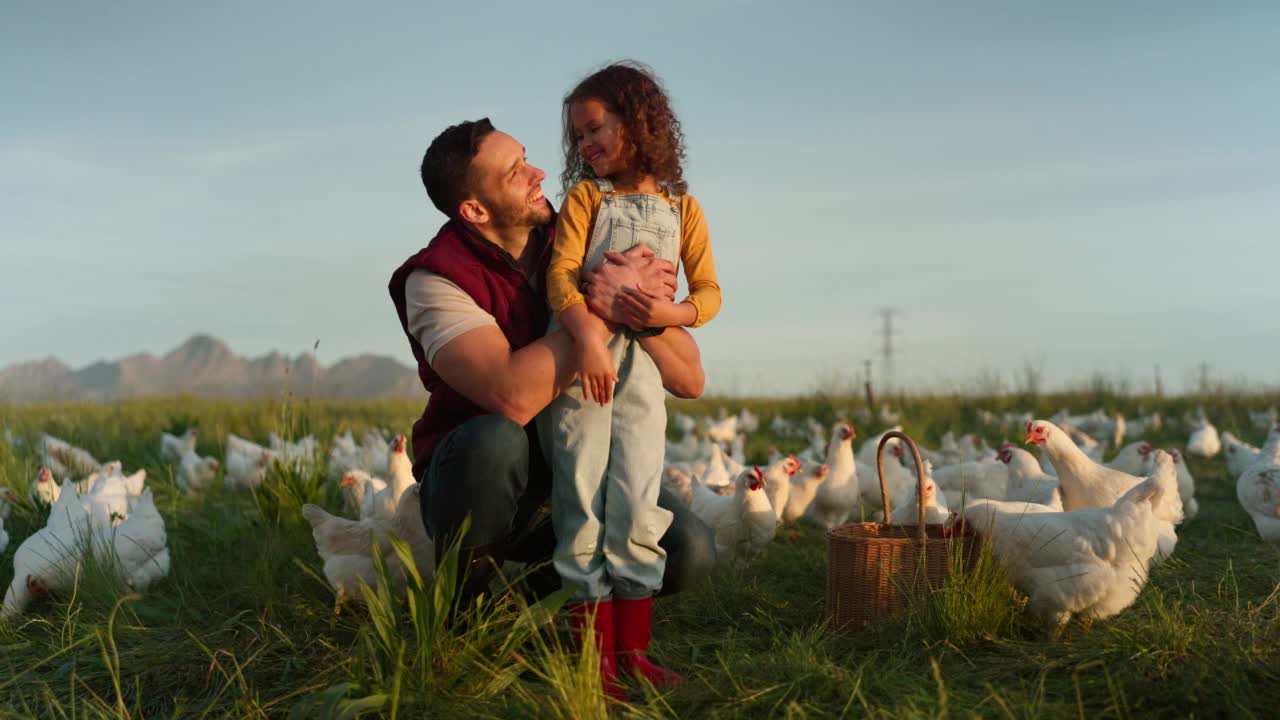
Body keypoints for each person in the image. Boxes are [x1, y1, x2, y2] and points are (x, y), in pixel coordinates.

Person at [387, 118, 716, 626]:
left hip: (576, 463)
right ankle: (462, 613)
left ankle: (535, 599)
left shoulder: (579, 234)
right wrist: (605, 305)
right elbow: (511, 396)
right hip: (488, 484)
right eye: (515, 172)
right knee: (494, 440)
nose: (538, 172)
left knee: (690, 549)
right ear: (474, 210)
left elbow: (690, 379)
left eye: (526, 157)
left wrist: (640, 309)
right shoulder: (434, 279)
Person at [538, 61, 721, 694]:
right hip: (584, 371)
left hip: (644, 374)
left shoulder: (685, 208)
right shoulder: (587, 199)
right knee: (582, 500)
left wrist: (671, 313)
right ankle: (597, 662)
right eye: (578, 138)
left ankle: (635, 652)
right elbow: (560, 275)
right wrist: (587, 338)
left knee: (639, 500)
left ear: (638, 121)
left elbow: (711, 291)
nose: (586, 146)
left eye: (595, 129)